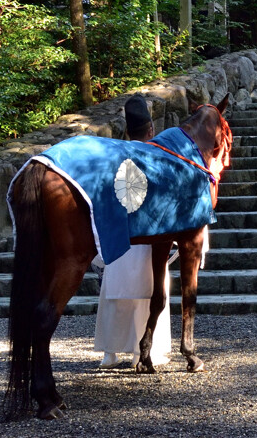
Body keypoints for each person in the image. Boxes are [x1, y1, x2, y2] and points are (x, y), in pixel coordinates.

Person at [93, 95, 173, 368]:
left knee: (115, 289)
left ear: (127, 131)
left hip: (120, 233)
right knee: (151, 287)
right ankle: (147, 349)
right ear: (151, 129)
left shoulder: (114, 157)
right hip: (150, 234)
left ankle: (110, 352)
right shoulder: (159, 158)